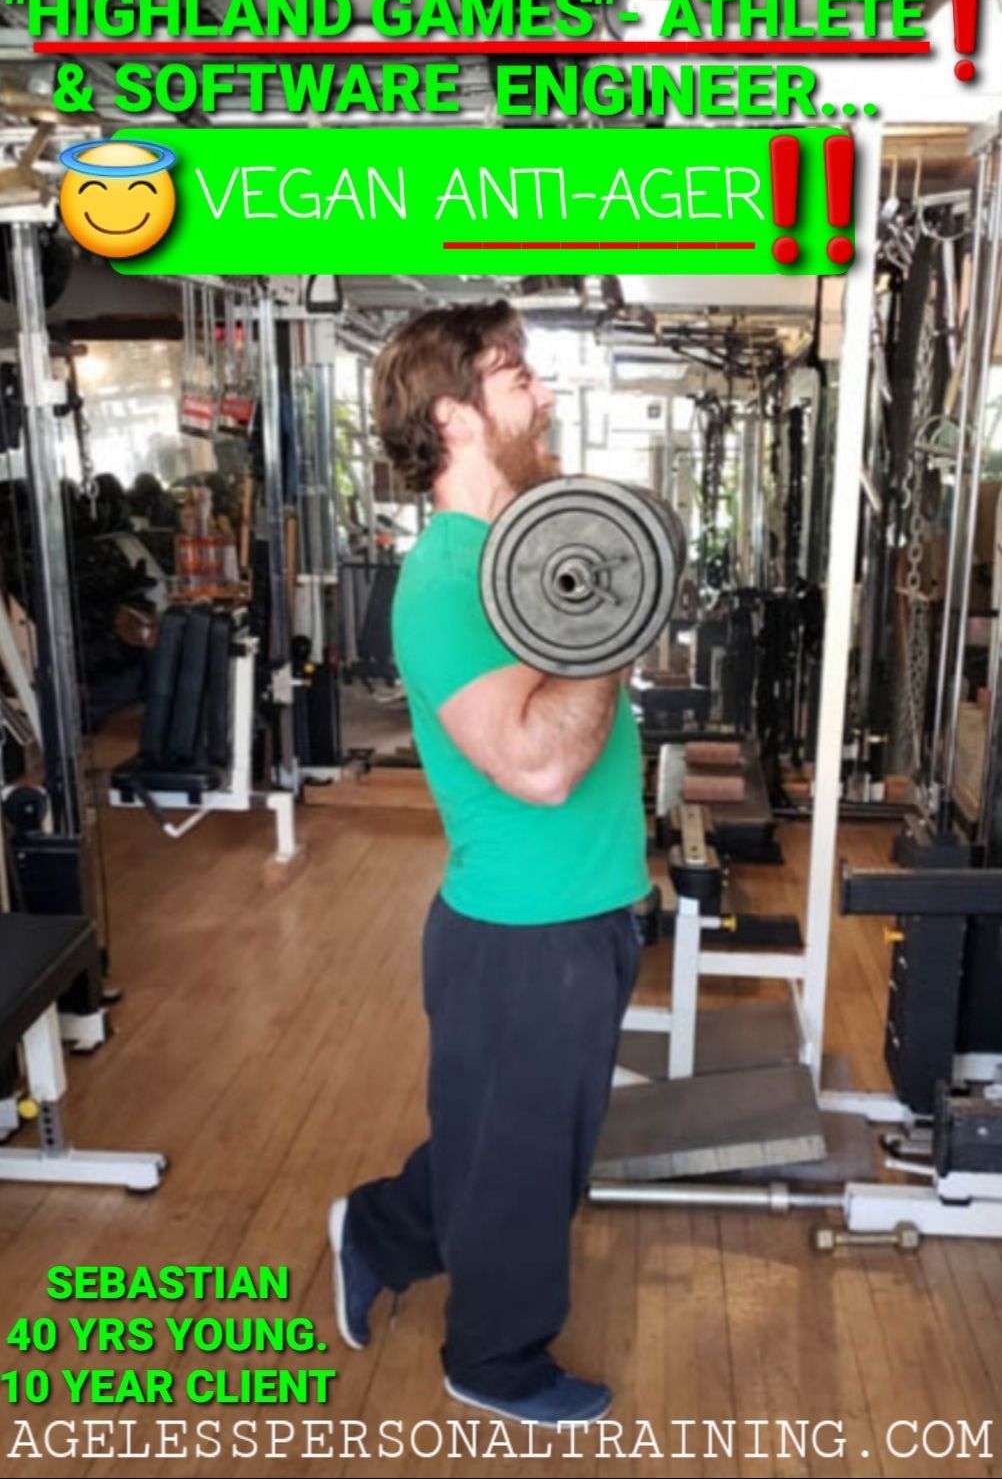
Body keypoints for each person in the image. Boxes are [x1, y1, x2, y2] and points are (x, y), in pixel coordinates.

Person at [328, 300, 650, 1427]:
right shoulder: (446, 583)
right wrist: (615, 621)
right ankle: (493, 1361)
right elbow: (541, 764)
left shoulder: (525, 546)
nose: (546, 396)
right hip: (526, 927)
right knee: (524, 1165)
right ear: (457, 416)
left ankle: (380, 1228)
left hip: (586, 905)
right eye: (521, 379)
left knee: (513, 1138)